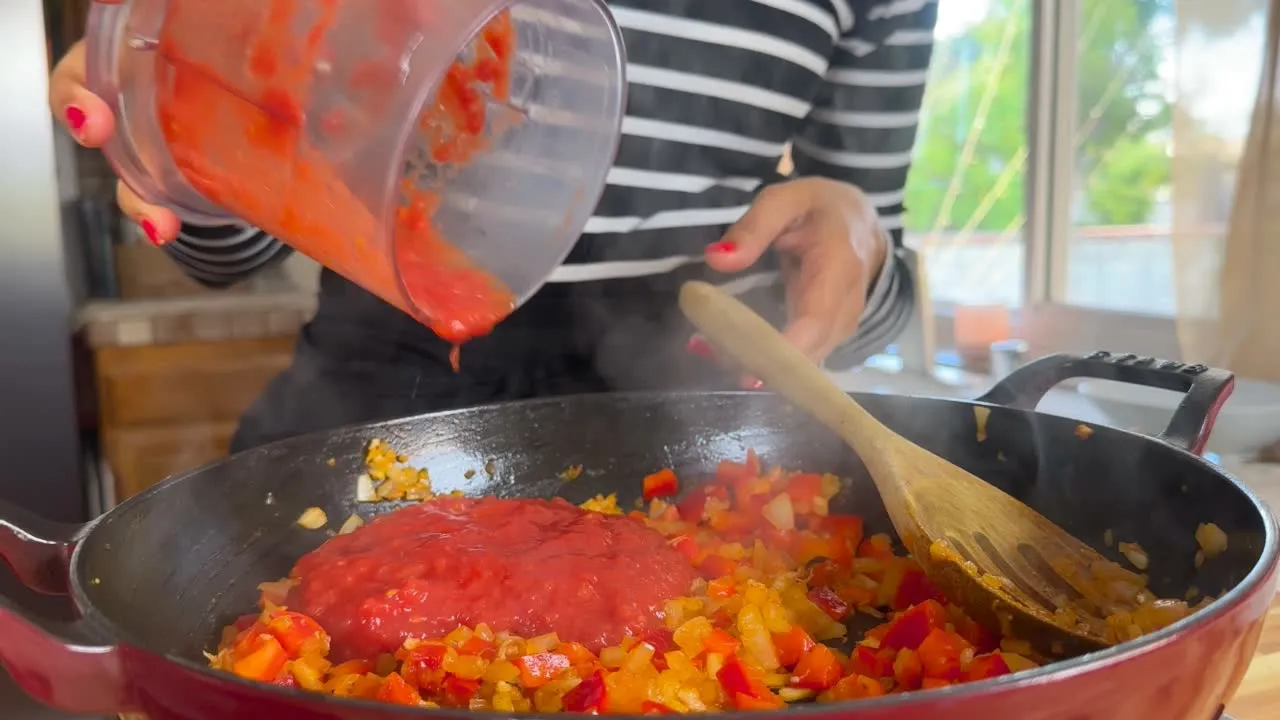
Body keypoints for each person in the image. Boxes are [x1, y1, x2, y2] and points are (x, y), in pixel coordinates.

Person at [51, 0, 938, 453]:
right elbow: (229, 250)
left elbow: (873, 298)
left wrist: (857, 243)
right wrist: (171, 133)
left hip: (682, 426)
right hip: (367, 401)